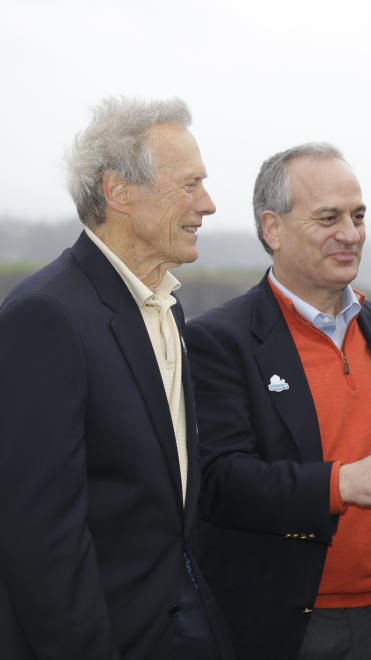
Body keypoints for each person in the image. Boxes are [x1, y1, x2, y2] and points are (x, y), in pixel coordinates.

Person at [185, 143, 371, 660]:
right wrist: (344, 483)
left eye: (358, 216)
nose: (351, 234)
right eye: (328, 218)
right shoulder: (217, 340)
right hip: (291, 624)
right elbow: (220, 483)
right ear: (273, 228)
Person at [0, 97, 231, 659]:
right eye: (190, 184)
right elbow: (41, 536)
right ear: (119, 192)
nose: (209, 203)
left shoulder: (168, 307)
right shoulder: (44, 316)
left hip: (185, 619)